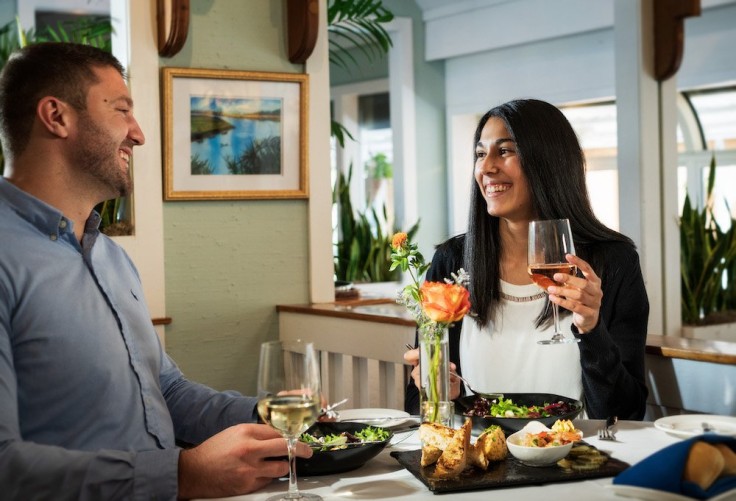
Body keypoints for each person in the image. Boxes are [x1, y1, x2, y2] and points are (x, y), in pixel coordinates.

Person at [0, 42, 312, 500]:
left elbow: (164, 390)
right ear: (56, 116)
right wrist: (183, 474)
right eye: (121, 110)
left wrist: (267, 416)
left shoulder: (112, 258)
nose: (138, 134)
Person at [404, 98, 650, 421]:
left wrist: (592, 330)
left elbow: (625, 414)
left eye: (504, 151)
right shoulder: (452, 262)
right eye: (480, 153)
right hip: (481, 464)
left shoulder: (614, 263)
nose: (487, 167)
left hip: (575, 463)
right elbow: (415, 405)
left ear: (548, 161)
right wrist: (436, 392)